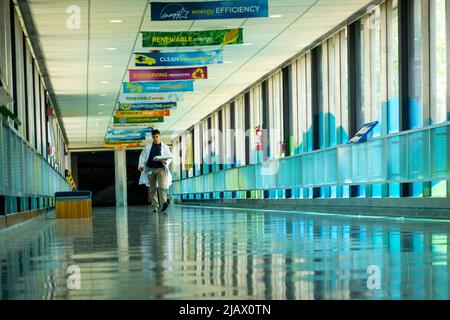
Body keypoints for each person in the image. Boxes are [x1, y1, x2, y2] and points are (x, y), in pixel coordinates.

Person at [138, 129, 172, 213]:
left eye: (157, 136)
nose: (155, 138)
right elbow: (142, 156)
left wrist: (166, 161)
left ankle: (164, 203)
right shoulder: (148, 147)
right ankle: (155, 205)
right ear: (152, 137)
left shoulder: (165, 147)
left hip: (161, 169)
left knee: (162, 186)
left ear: (159, 136)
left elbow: (169, 157)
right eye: (153, 137)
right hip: (150, 169)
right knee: (152, 188)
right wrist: (141, 166)